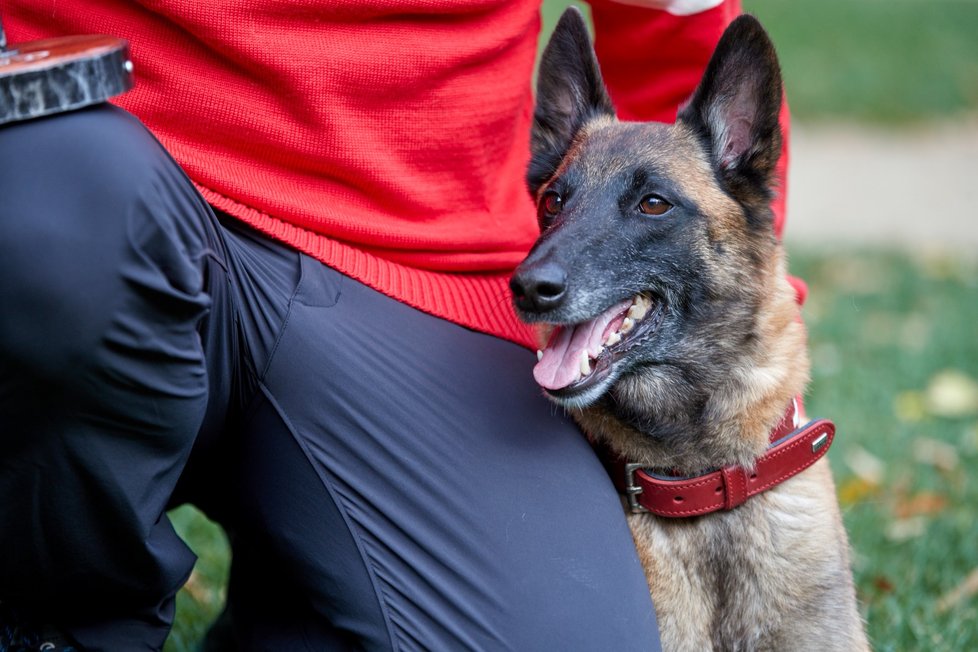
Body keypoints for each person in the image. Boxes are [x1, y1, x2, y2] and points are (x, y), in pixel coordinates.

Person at [0, 1, 789, 649]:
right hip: (107, 166)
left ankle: (295, 601)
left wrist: (739, 308)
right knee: (59, 199)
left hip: (418, 266)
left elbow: (677, 34)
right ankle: (57, 626)